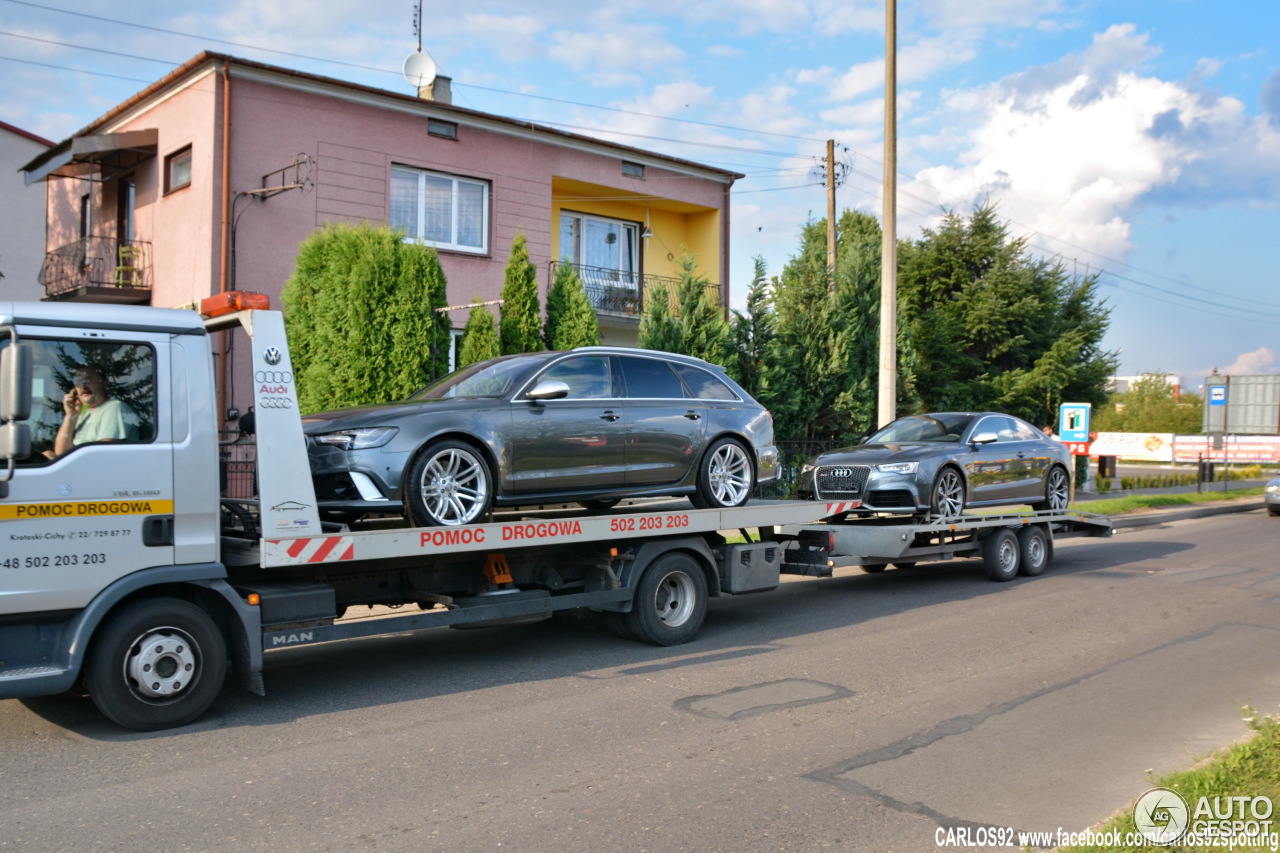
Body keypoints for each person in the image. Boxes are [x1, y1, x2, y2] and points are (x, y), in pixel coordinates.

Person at [48, 366, 137, 457]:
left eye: (88, 380)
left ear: (104, 383)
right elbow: (61, 452)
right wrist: (70, 415)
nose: (83, 386)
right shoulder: (85, 415)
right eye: (78, 383)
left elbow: (104, 455)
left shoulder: (114, 407)